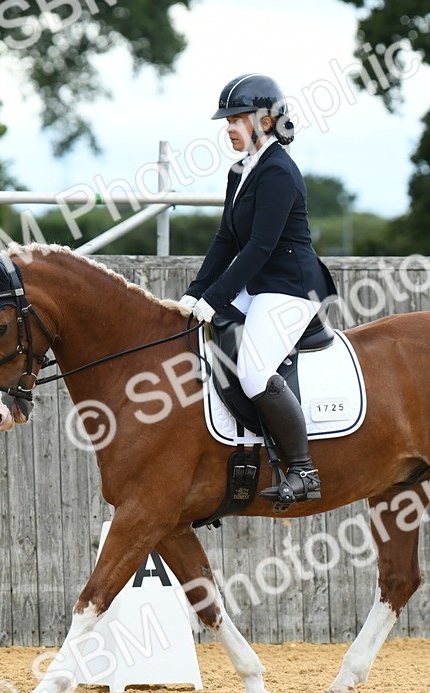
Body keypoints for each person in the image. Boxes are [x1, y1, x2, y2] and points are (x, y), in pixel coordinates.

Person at [179, 73, 337, 504]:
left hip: (290, 287)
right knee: (198, 337)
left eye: (237, 118)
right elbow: (226, 240)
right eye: (226, 119)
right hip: (259, 282)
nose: (228, 127)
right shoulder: (240, 170)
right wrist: (196, 291)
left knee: (251, 369)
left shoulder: (280, 172)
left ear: (265, 121)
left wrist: (217, 297)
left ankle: (304, 472)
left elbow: (261, 246)